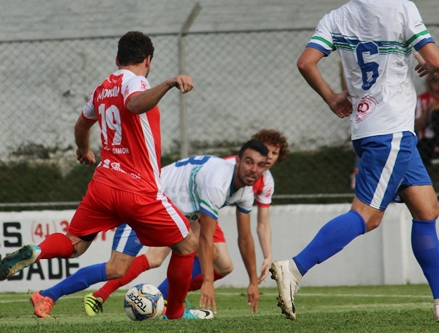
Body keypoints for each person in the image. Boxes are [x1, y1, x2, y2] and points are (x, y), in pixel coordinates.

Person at [270, 0, 439, 324]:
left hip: (371, 127)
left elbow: (306, 62)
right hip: (390, 130)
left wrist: (331, 97)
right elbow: (436, 60)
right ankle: (295, 267)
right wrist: (424, 60)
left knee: (426, 208)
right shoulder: (402, 8)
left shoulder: (336, 17)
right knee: (367, 217)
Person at [0, 31, 203, 320]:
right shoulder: (137, 81)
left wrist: (84, 150)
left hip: (103, 185)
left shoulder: (102, 89)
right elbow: (134, 104)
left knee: (75, 243)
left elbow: (81, 125)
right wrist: (168, 83)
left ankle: (38, 251)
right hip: (138, 189)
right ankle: (177, 314)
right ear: (148, 60)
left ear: (117, 59)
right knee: (187, 244)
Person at [32, 139, 270, 318]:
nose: (254, 169)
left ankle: (172, 310)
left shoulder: (246, 191)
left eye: (261, 165)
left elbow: (245, 237)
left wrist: (252, 281)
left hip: (176, 211)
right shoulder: (218, 183)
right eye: (249, 162)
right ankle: (49, 295)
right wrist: (207, 281)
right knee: (117, 268)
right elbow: (207, 236)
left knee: (203, 254)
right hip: (145, 202)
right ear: (237, 160)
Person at [83, 131, 288, 316]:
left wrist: (267, 255)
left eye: (274, 153)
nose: (269, 156)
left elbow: (262, 224)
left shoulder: (266, 182)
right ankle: (105, 295)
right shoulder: (232, 168)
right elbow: (211, 187)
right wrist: (207, 281)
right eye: (266, 151)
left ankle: (165, 298)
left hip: (203, 213)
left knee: (224, 265)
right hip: (189, 206)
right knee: (156, 257)